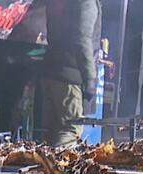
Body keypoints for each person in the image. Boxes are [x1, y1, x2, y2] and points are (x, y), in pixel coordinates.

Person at [42, 0, 101, 146]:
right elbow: (82, 39)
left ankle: (45, 160)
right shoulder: (86, 3)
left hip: (51, 71)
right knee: (71, 129)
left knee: (52, 131)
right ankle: (59, 161)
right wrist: (90, 78)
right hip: (70, 77)